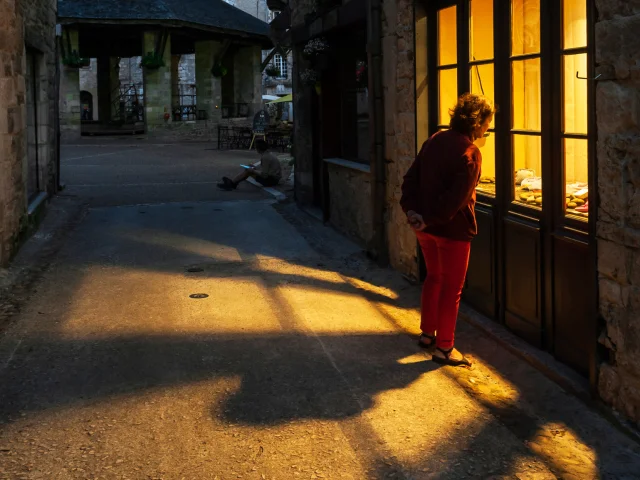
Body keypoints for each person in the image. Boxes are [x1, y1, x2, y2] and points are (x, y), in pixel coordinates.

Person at [400, 93, 495, 367]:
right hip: (451, 232)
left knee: (434, 278)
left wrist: (413, 213)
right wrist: (428, 218)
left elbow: (410, 180)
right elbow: (456, 201)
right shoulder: (470, 153)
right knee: (451, 288)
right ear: (477, 123)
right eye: (487, 122)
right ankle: (445, 348)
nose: (488, 128)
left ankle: (428, 334)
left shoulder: (435, 140)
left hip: (424, 228)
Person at [217, 140, 282, 191]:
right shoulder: (269, 154)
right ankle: (233, 183)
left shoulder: (265, 157)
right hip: (273, 179)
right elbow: (266, 169)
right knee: (249, 169)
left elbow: (264, 175)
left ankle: (232, 184)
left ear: (258, 149)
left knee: (248, 171)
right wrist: (254, 168)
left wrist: (253, 171)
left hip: (271, 181)